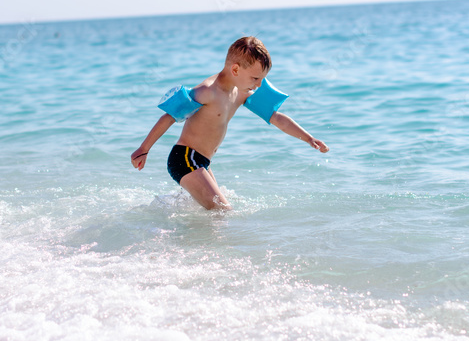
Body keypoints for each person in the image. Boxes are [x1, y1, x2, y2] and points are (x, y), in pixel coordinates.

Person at [130, 36, 329, 210]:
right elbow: (169, 117)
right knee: (222, 211)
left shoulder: (241, 93)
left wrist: (309, 138)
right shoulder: (208, 91)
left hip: (202, 161)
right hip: (185, 158)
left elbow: (275, 117)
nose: (259, 84)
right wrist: (143, 149)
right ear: (235, 69)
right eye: (255, 78)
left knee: (210, 210)